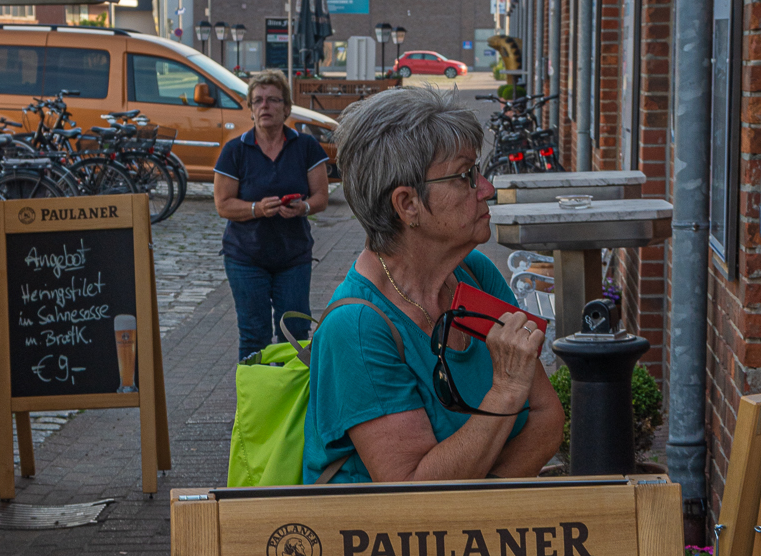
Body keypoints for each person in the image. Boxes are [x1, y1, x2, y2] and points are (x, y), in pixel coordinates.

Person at [302, 87, 564, 484]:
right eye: (465, 176)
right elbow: (412, 491)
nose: (487, 189)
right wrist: (506, 391)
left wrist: (482, 507)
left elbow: (547, 418)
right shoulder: (357, 328)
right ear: (407, 205)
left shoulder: (474, 274)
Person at [213, 69, 330, 362]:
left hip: (293, 257)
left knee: (295, 332)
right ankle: (256, 404)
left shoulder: (305, 146)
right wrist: (256, 209)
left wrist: (302, 207)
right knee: (254, 334)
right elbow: (223, 204)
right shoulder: (235, 150)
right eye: (258, 101)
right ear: (251, 109)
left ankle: (290, 401)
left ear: (287, 108)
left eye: (273, 100)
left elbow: (321, 197)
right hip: (245, 256)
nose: (265, 106)